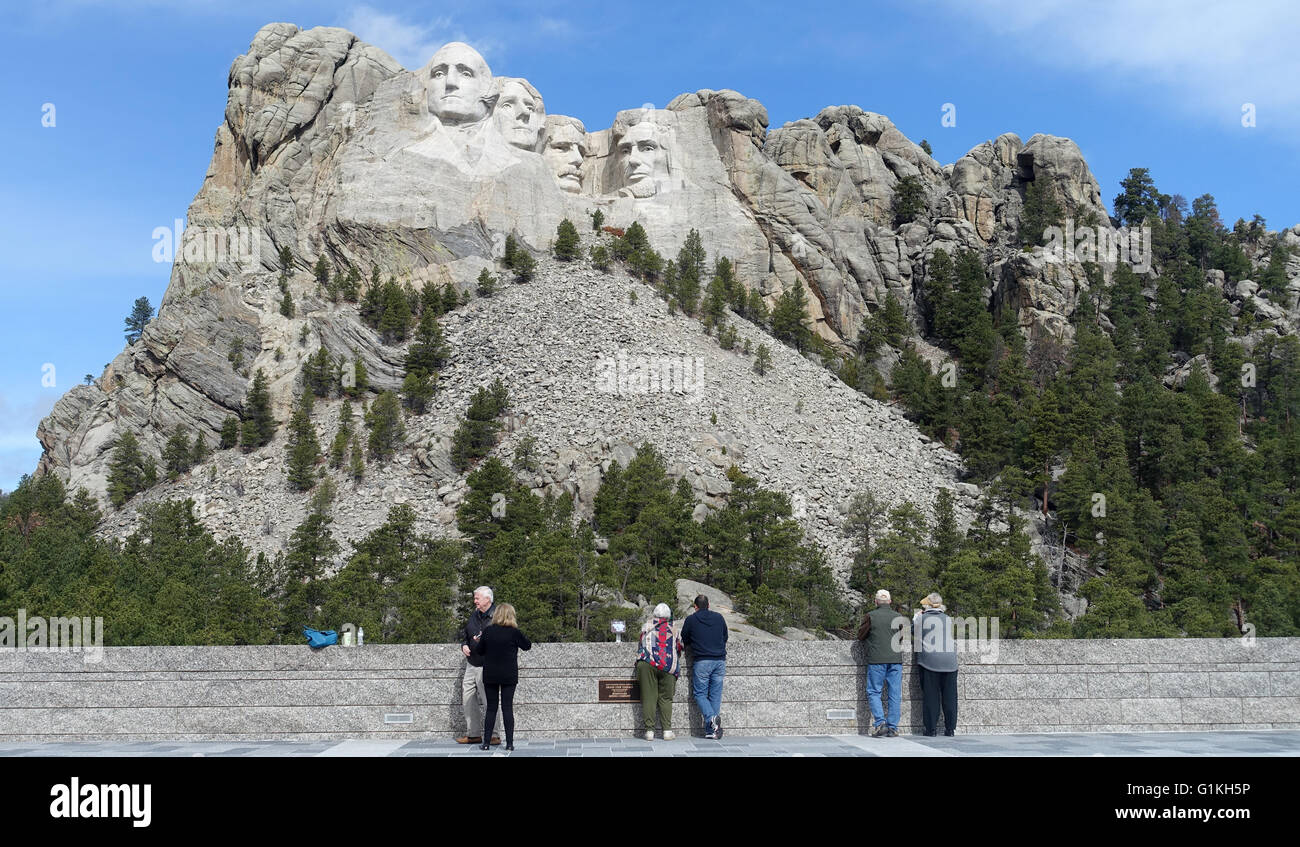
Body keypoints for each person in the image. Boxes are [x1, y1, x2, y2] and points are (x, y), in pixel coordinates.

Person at [474, 603, 532, 751]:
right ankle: (510, 744)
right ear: (511, 615)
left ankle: (486, 743)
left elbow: (479, 651)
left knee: (491, 709)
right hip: (509, 674)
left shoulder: (488, 631)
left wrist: (478, 641)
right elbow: (527, 646)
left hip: (491, 674)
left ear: (496, 615)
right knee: (507, 708)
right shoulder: (514, 632)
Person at [680, 594, 727, 739]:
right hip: (720, 660)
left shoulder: (691, 620)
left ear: (695, 607)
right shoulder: (719, 618)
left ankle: (711, 718)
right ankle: (712, 730)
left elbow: (685, 638)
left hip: (702, 661)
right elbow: (725, 636)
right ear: (708, 605)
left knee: (700, 694)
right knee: (715, 696)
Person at [863, 589, 908, 737]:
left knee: (874, 691)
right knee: (895, 693)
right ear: (890, 601)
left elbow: (861, 635)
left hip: (876, 659)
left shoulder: (870, 616)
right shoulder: (898, 616)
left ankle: (880, 723)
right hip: (895, 659)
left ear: (875, 602)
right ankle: (893, 727)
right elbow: (901, 637)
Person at [457, 586, 498, 745]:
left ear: (487, 599)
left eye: (477, 598)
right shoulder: (474, 615)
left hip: (487, 665)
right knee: (468, 699)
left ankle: (494, 735)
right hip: (471, 663)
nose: (475, 601)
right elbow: (465, 635)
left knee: (490, 700)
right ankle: (473, 734)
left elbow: (502, 638)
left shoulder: (497, 616)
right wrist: (464, 645)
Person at [635, 603, 682, 741]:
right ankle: (667, 731)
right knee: (666, 698)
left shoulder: (646, 625)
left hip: (647, 663)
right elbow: (679, 647)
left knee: (649, 697)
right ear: (668, 616)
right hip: (668, 665)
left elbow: (641, 641)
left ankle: (649, 731)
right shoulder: (674, 629)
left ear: (655, 614)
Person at [915, 592, 959, 737]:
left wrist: (916, 618)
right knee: (950, 696)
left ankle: (931, 729)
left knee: (931, 696)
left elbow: (911, 632)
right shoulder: (947, 619)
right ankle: (950, 729)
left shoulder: (922, 618)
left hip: (930, 662)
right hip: (950, 661)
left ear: (926, 605)